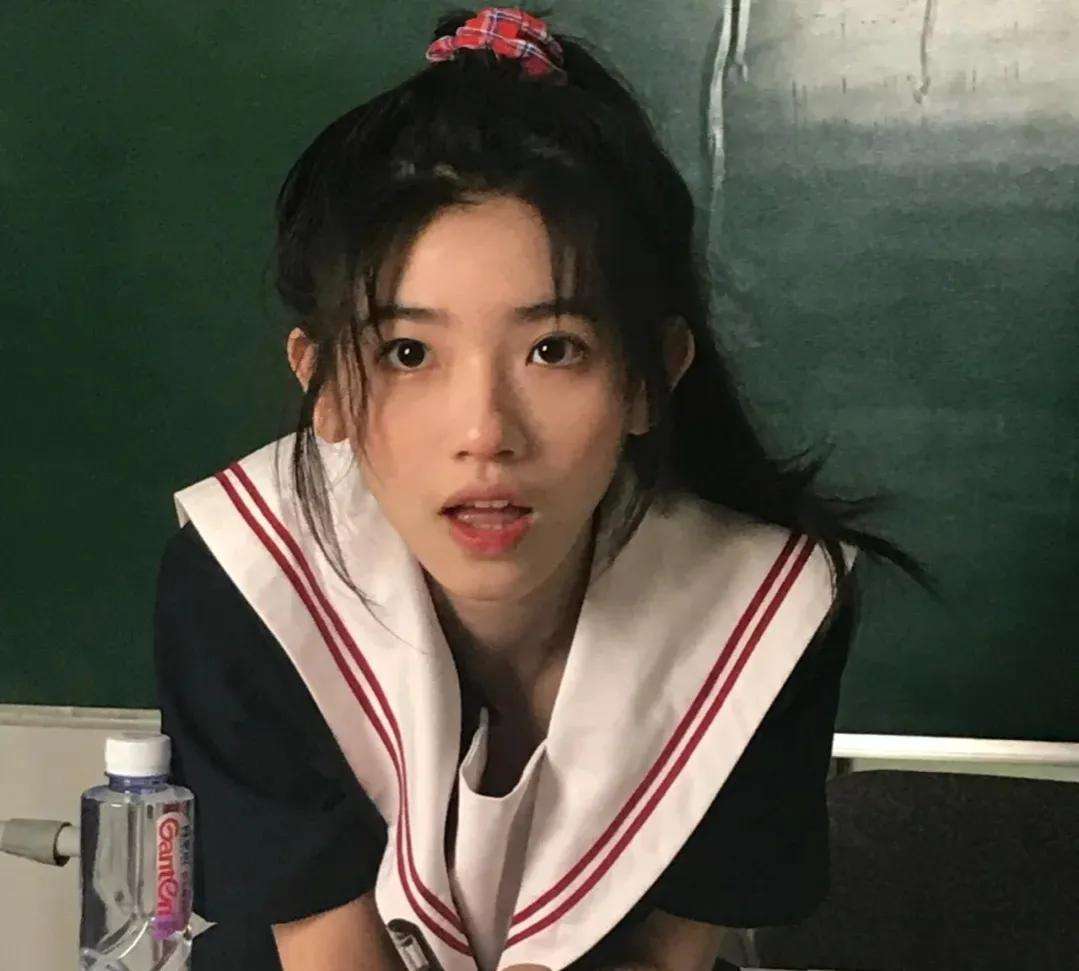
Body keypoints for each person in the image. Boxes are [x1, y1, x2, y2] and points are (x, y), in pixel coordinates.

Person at [153, 7, 936, 971]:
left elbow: (665, 956)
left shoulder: (762, 607)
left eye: (553, 349)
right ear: (326, 388)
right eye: (408, 353)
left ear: (650, 377)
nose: (485, 432)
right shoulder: (246, 575)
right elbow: (326, 948)